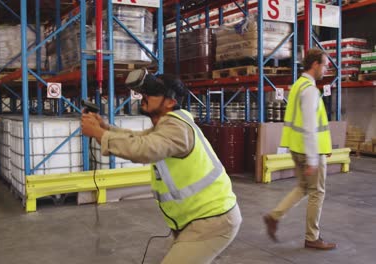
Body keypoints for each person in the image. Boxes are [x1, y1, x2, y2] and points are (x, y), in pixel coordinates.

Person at [81, 70, 242, 263]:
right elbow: (138, 138)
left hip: (213, 220)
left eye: (151, 93)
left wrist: (99, 134)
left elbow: (142, 149)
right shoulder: (167, 126)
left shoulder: (177, 129)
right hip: (197, 220)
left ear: (171, 102)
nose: (144, 97)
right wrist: (105, 128)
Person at [263, 48, 336, 250]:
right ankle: (312, 237)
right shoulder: (310, 90)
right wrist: (313, 159)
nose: (326, 69)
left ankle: (274, 215)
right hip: (309, 151)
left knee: (303, 187)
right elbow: (311, 126)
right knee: (317, 193)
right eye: (325, 65)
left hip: (296, 147)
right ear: (315, 64)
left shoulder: (297, 85)